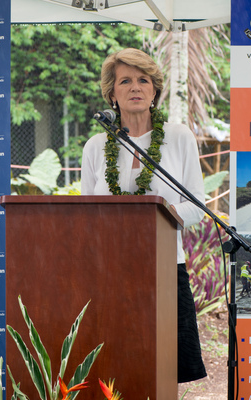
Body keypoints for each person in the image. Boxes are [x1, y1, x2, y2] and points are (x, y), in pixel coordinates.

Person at [81, 48, 206, 383]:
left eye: (143, 80)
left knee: (166, 368)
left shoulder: (179, 138)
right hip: (110, 271)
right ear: (112, 93)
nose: (135, 87)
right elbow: (85, 215)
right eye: (125, 81)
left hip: (165, 269)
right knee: (114, 366)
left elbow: (197, 206)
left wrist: (149, 219)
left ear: (154, 91)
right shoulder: (95, 146)